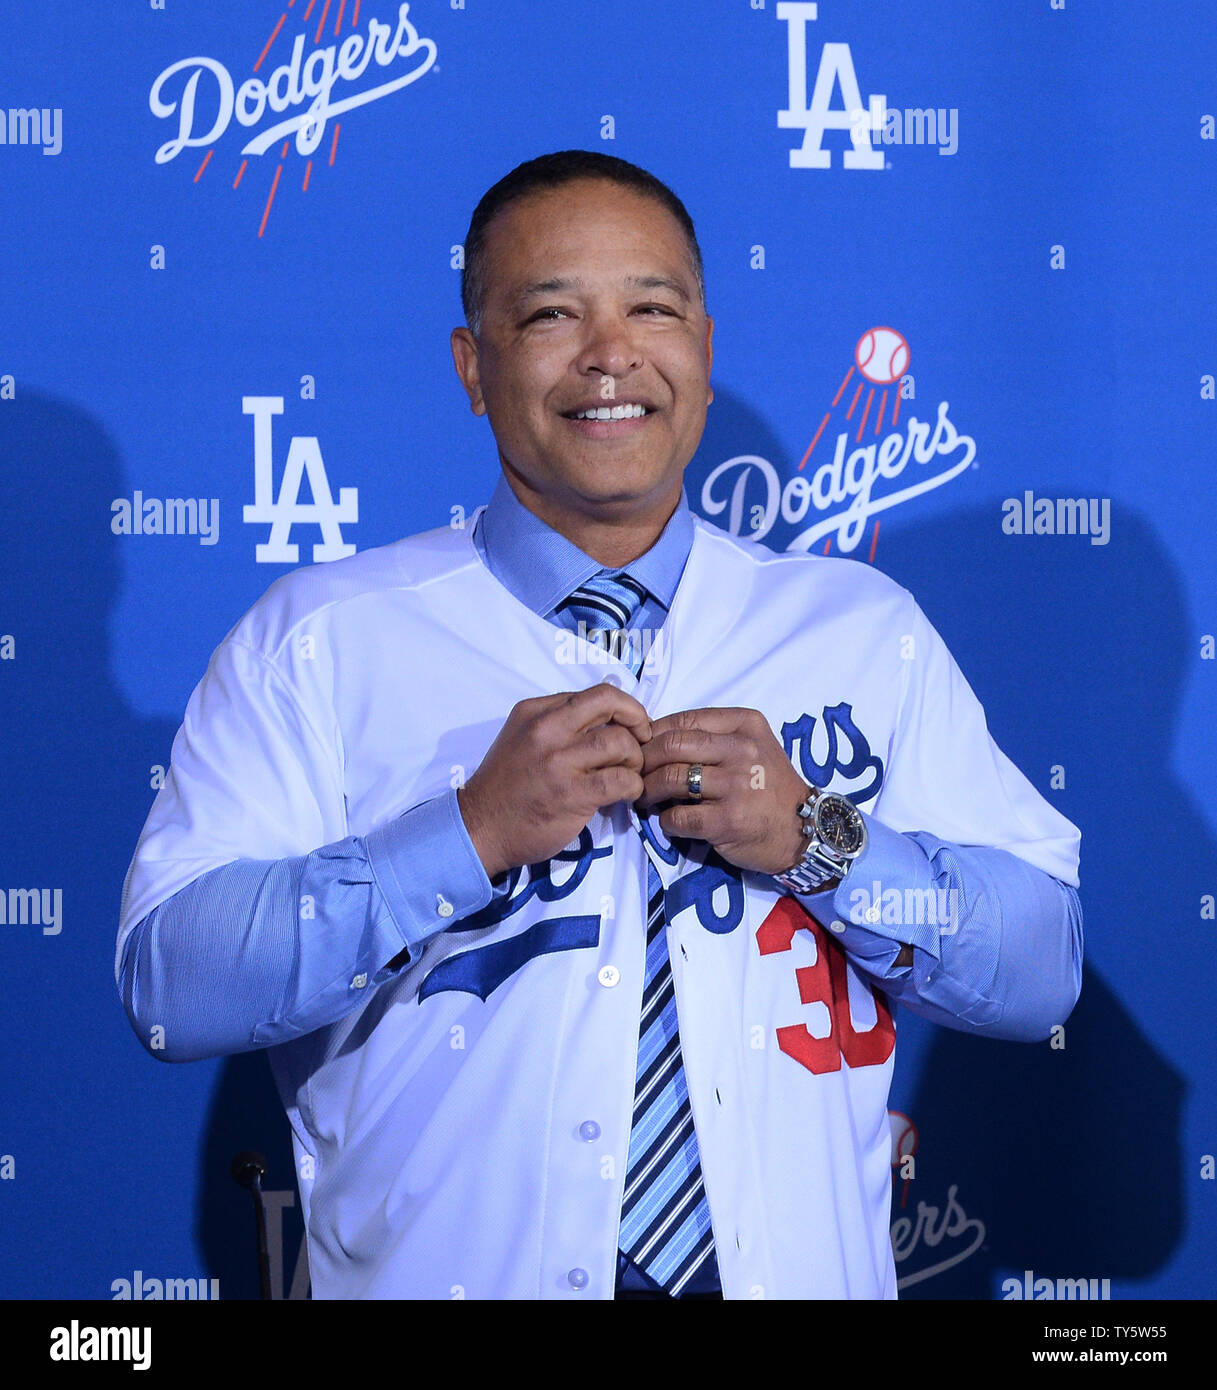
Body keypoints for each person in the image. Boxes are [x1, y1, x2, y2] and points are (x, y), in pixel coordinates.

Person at [116, 149, 1083, 1301]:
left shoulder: (861, 630)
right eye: (551, 315)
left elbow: (1039, 966)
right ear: (473, 368)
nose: (610, 354)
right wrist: (463, 833)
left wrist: (814, 836)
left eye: (651, 309)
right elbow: (169, 985)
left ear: (705, 352)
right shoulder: (322, 639)